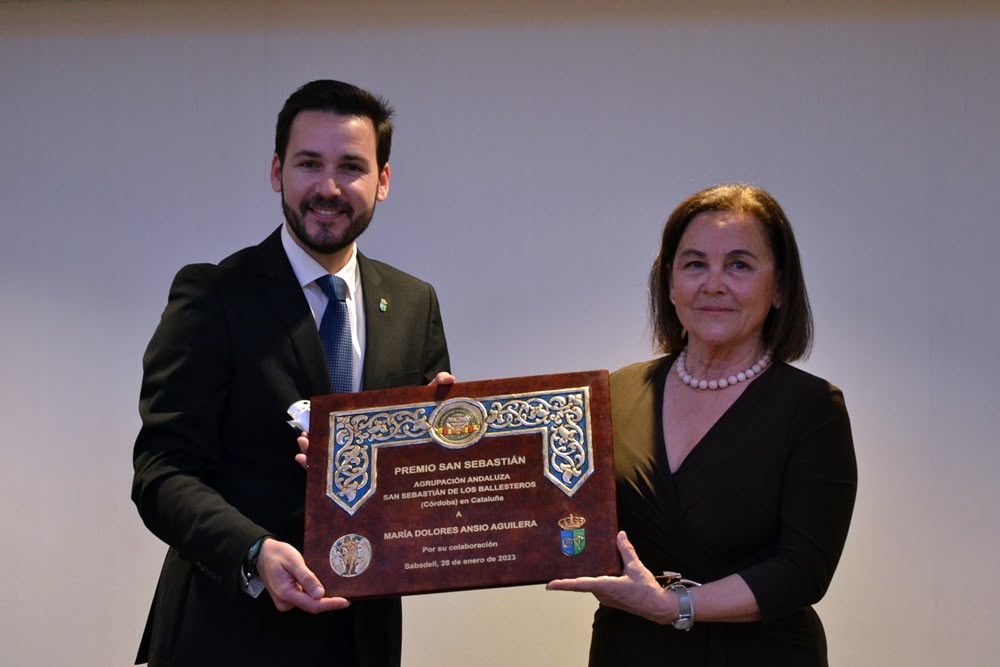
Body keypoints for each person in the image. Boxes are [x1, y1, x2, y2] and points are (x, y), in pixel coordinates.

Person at [131, 79, 452, 667]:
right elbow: (161, 473)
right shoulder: (213, 295)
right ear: (278, 171)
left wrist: (443, 444)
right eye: (309, 163)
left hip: (362, 638)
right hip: (227, 630)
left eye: (351, 166)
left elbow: (416, 485)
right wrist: (253, 552)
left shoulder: (414, 303)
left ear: (382, 180)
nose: (328, 188)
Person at [547, 184, 857, 665]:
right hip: (629, 649)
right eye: (694, 264)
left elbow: (803, 572)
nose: (713, 283)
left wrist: (674, 607)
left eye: (739, 265)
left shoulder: (812, 407)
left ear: (778, 287)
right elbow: (565, 515)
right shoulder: (612, 394)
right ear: (669, 284)